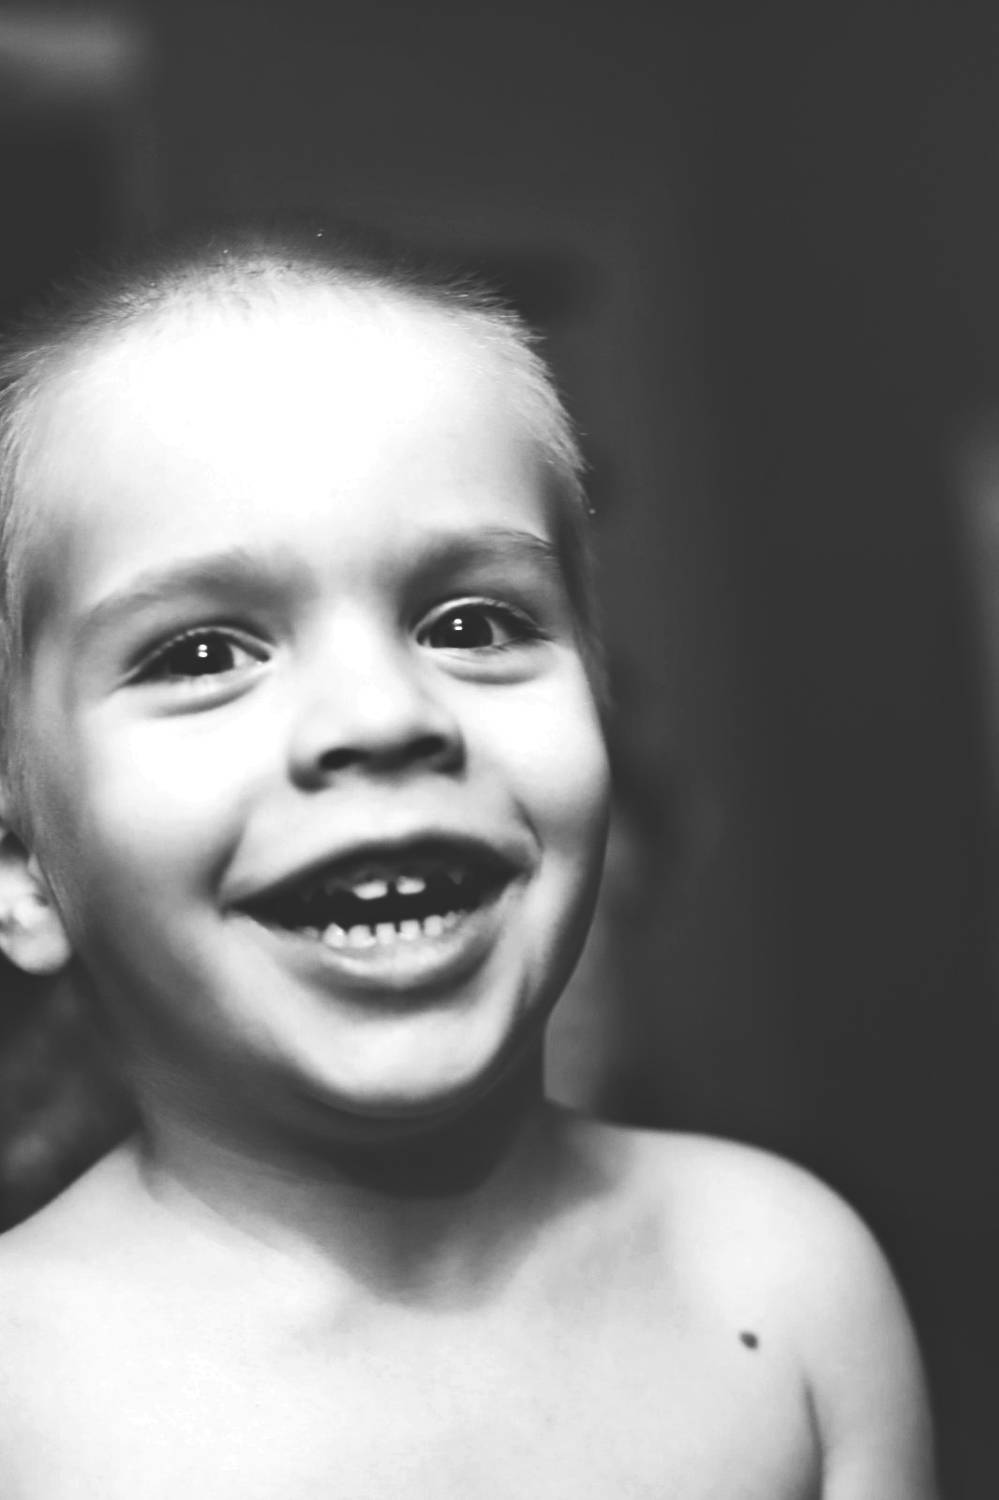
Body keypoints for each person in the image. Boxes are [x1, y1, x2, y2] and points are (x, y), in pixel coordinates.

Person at [0, 223, 937, 1498]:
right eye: (203, 653)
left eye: (475, 623)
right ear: (22, 867)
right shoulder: (27, 1396)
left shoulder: (783, 1282)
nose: (385, 714)